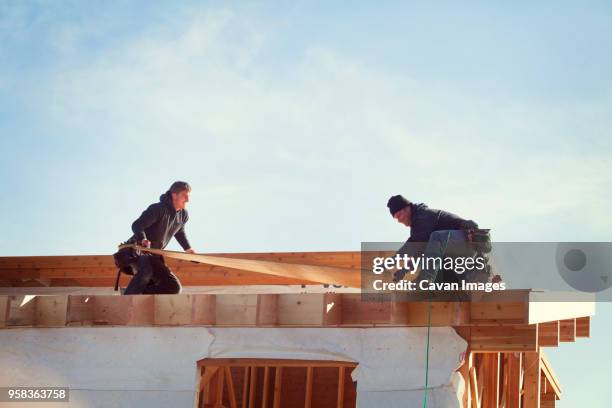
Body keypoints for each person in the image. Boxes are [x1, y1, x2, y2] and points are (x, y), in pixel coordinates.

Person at [386, 194, 492, 285]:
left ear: (407, 207)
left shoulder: (422, 216)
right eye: (396, 218)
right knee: (433, 263)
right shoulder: (419, 227)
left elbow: (413, 245)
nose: (399, 220)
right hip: (459, 255)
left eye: (399, 215)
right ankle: (476, 277)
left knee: (437, 237)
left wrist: (392, 261)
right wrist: (404, 270)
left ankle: (425, 279)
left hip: (466, 243)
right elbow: (420, 252)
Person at [123, 181, 195, 295]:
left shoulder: (183, 215)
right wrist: (143, 239)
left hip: (153, 256)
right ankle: (128, 298)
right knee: (146, 272)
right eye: (184, 196)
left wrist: (188, 249)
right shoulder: (158, 209)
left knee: (173, 287)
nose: (187, 200)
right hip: (135, 251)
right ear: (174, 195)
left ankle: (133, 293)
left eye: (188, 196)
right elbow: (137, 225)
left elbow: (179, 232)